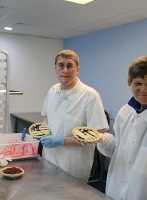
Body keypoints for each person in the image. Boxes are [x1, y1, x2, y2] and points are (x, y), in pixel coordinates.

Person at [97, 56, 147, 200]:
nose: (143, 90)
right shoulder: (125, 112)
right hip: (116, 189)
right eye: (137, 83)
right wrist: (100, 139)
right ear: (129, 83)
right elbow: (117, 150)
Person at [39, 49, 109, 182]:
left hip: (73, 164)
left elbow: (97, 134)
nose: (65, 70)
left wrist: (61, 140)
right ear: (55, 69)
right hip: (49, 158)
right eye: (61, 65)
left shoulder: (89, 95)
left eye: (70, 66)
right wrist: (45, 126)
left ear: (77, 69)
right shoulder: (53, 90)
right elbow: (45, 115)